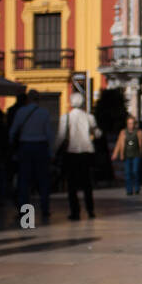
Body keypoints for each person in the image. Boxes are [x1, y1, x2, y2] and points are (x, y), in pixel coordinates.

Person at [10, 90, 53, 221]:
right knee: (43, 180)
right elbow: (49, 134)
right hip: (41, 146)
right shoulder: (44, 113)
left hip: (25, 147)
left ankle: (26, 214)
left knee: (24, 182)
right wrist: (50, 151)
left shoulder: (21, 112)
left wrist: (13, 148)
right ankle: (45, 210)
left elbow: (12, 132)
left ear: (28, 99)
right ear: (38, 99)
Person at [58, 91, 101, 219]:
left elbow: (60, 137)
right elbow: (98, 133)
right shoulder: (89, 117)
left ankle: (75, 212)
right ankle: (90, 210)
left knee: (72, 185)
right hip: (87, 152)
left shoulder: (66, 117)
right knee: (87, 184)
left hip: (72, 153)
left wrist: (53, 151)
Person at [111, 114, 142, 195]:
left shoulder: (139, 132)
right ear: (127, 124)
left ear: (135, 124)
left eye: (132, 123)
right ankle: (129, 190)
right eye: (129, 123)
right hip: (127, 155)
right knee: (127, 173)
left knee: (135, 171)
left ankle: (137, 187)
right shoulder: (123, 132)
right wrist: (115, 154)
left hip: (136, 155)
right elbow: (119, 144)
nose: (131, 125)